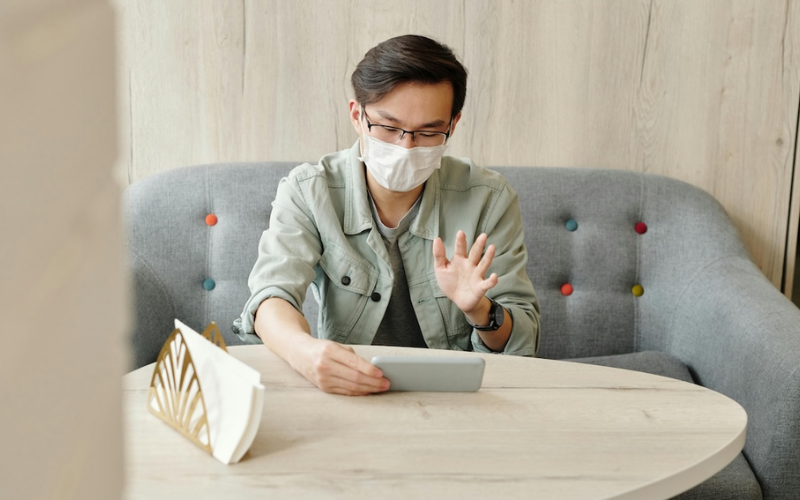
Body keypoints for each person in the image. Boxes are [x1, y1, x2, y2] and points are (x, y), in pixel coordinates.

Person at [235, 34, 540, 396]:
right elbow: (273, 296)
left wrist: (481, 311)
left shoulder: (489, 198)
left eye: (428, 132)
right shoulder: (308, 190)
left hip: (453, 397)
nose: (405, 147)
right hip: (350, 388)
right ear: (357, 116)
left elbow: (523, 341)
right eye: (388, 127)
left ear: (452, 126)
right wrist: (306, 353)